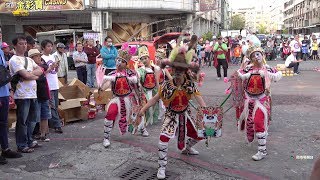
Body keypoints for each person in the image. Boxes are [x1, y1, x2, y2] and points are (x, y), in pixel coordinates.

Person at [138, 44, 206, 179]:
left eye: (181, 69)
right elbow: (155, 99)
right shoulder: (166, 85)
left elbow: (200, 100)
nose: (178, 72)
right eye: (176, 69)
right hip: (171, 115)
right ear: (173, 70)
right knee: (163, 140)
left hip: (186, 114)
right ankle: (161, 167)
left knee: (203, 133)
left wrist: (207, 114)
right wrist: (143, 109)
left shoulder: (189, 84)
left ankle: (187, 148)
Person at [236, 45, 282, 161]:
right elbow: (239, 75)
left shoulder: (268, 69)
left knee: (258, 121)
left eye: (258, 54)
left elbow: (276, 76)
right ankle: (261, 143)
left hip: (262, 100)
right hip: (249, 100)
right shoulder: (248, 69)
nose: (256, 57)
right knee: (250, 124)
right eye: (253, 55)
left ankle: (262, 150)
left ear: (263, 55)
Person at [9, 36, 43, 153]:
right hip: (21, 94)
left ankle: (29, 140)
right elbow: (26, 75)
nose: (23, 46)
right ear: (15, 45)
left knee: (32, 120)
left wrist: (30, 74)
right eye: (20, 44)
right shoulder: (14, 60)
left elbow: (40, 70)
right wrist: (32, 75)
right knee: (22, 121)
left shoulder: (29, 60)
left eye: (24, 43)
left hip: (33, 93)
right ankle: (21, 144)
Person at [100, 43, 138, 148]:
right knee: (110, 113)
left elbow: (136, 85)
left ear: (126, 64)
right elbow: (107, 83)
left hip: (129, 99)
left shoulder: (131, 73)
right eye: (117, 60)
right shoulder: (112, 74)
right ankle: (106, 138)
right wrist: (101, 88)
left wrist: (138, 99)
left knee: (137, 116)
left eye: (121, 61)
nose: (118, 63)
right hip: (116, 99)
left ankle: (143, 129)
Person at [0, 31, 22, 164]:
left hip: (4, 93)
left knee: (3, 124)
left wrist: (10, 90)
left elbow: (3, 74)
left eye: (1, 32)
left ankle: (5, 148)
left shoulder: (1, 52)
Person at [28, 49, 52, 142]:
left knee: (45, 115)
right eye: (36, 56)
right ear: (31, 58)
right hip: (35, 95)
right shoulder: (31, 69)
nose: (39, 57)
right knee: (34, 117)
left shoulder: (41, 67)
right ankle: (30, 136)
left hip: (44, 94)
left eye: (39, 56)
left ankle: (43, 134)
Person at [41, 39, 63, 133]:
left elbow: (55, 71)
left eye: (51, 46)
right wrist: (51, 67)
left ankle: (52, 123)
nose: (50, 48)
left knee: (55, 105)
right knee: (52, 105)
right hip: (48, 85)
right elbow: (43, 72)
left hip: (55, 84)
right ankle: (57, 125)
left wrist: (56, 66)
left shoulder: (53, 56)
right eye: (48, 46)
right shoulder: (41, 58)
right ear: (43, 47)